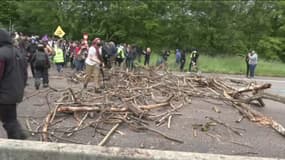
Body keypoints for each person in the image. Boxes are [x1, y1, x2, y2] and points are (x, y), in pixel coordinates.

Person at [0, 29, 27, 139]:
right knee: (11, 119)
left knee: (9, 122)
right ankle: (20, 138)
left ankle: (17, 142)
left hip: (4, 94)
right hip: (15, 92)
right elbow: (25, 73)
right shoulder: (17, 52)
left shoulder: (1, 54)